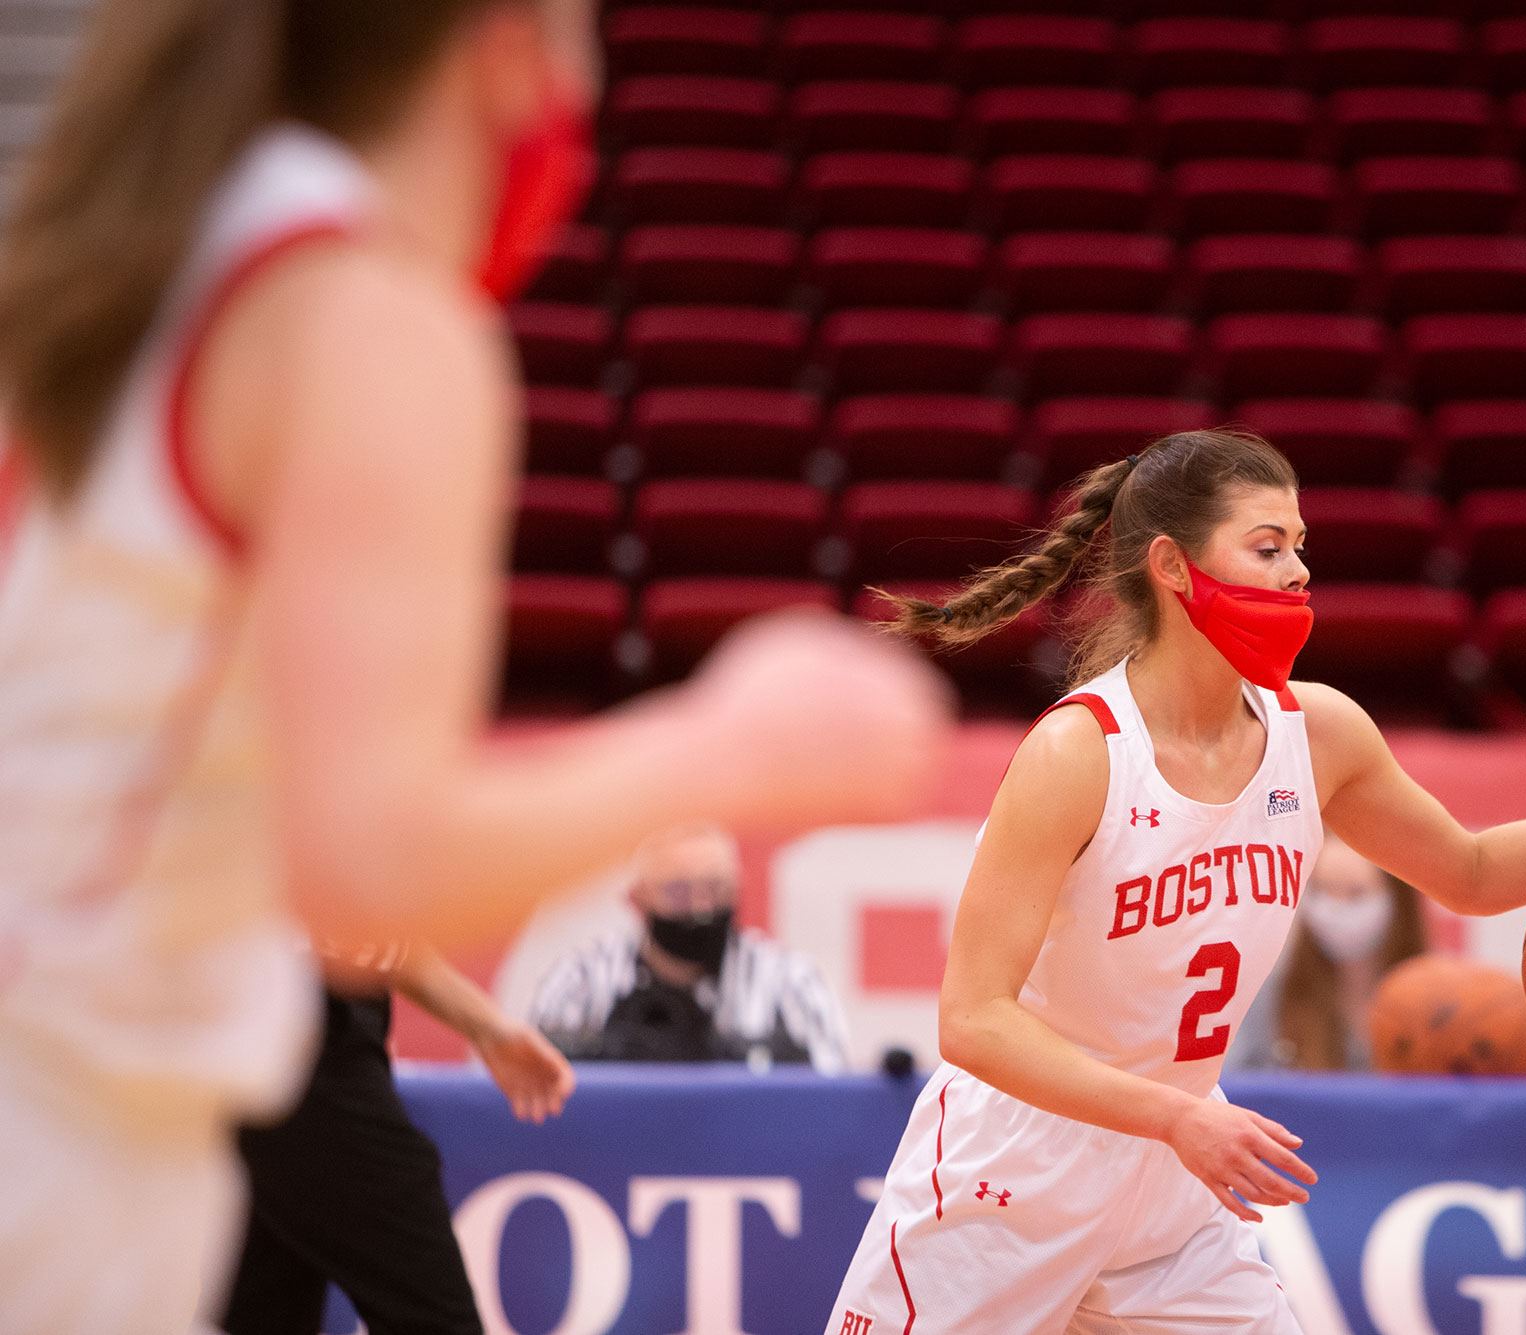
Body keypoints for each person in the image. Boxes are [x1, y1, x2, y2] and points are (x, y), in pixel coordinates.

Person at [0, 2, 946, 1330]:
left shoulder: (147, 269)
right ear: (513, 47)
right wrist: (734, 742)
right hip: (66, 1147)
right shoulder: (363, 314)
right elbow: (366, 868)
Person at [824, 430, 1526, 1335]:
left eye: (1300, 547)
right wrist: (1176, 1115)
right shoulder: (1079, 753)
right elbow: (973, 1018)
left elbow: (1468, 873)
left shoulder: (1319, 732)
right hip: (1017, 1171)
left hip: (1176, 1181)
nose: (1299, 570)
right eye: (1267, 546)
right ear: (1174, 567)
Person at [224, 941, 572, 1335]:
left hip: (287, 1036)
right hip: (289, 1044)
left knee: (262, 1312)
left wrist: (489, 1028)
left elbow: (364, 925)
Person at [528, 824, 851, 1070]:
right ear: (637, 898)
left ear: (739, 887)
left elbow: (833, 1101)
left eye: (716, 889)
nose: (700, 909)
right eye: (679, 892)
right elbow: (525, 1091)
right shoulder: (581, 980)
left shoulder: (792, 982)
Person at [1225, 836, 1426, 1073]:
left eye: (1355, 893)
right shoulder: (1271, 991)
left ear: (1398, 901)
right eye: (1321, 890)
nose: (1335, 908)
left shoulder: (1433, 999)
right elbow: (1238, 1086)